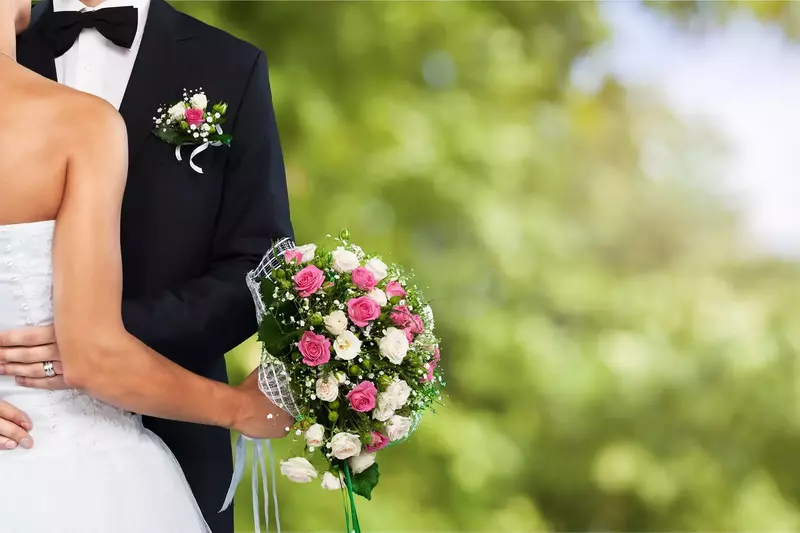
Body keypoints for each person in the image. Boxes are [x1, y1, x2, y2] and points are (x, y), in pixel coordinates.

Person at [0, 0, 294, 530]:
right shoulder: (12, 33)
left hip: (175, 443)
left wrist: (111, 332)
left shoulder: (229, 65)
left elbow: (260, 266)